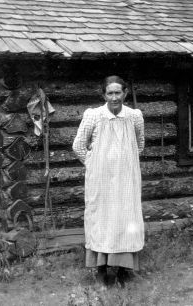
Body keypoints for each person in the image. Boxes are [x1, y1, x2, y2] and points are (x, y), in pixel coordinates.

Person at [72, 75, 145, 286]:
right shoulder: (94, 116)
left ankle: (124, 271)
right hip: (100, 180)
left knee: (125, 219)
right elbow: (78, 146)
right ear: (104, 94)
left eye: (118, 93)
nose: (114, 97)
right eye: (110, 93)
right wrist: (95, 165)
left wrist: (125, 163)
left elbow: (139, 145)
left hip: (126, 180)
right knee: (101, 220)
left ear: (125, 93)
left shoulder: (134, 116)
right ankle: (102, 271)